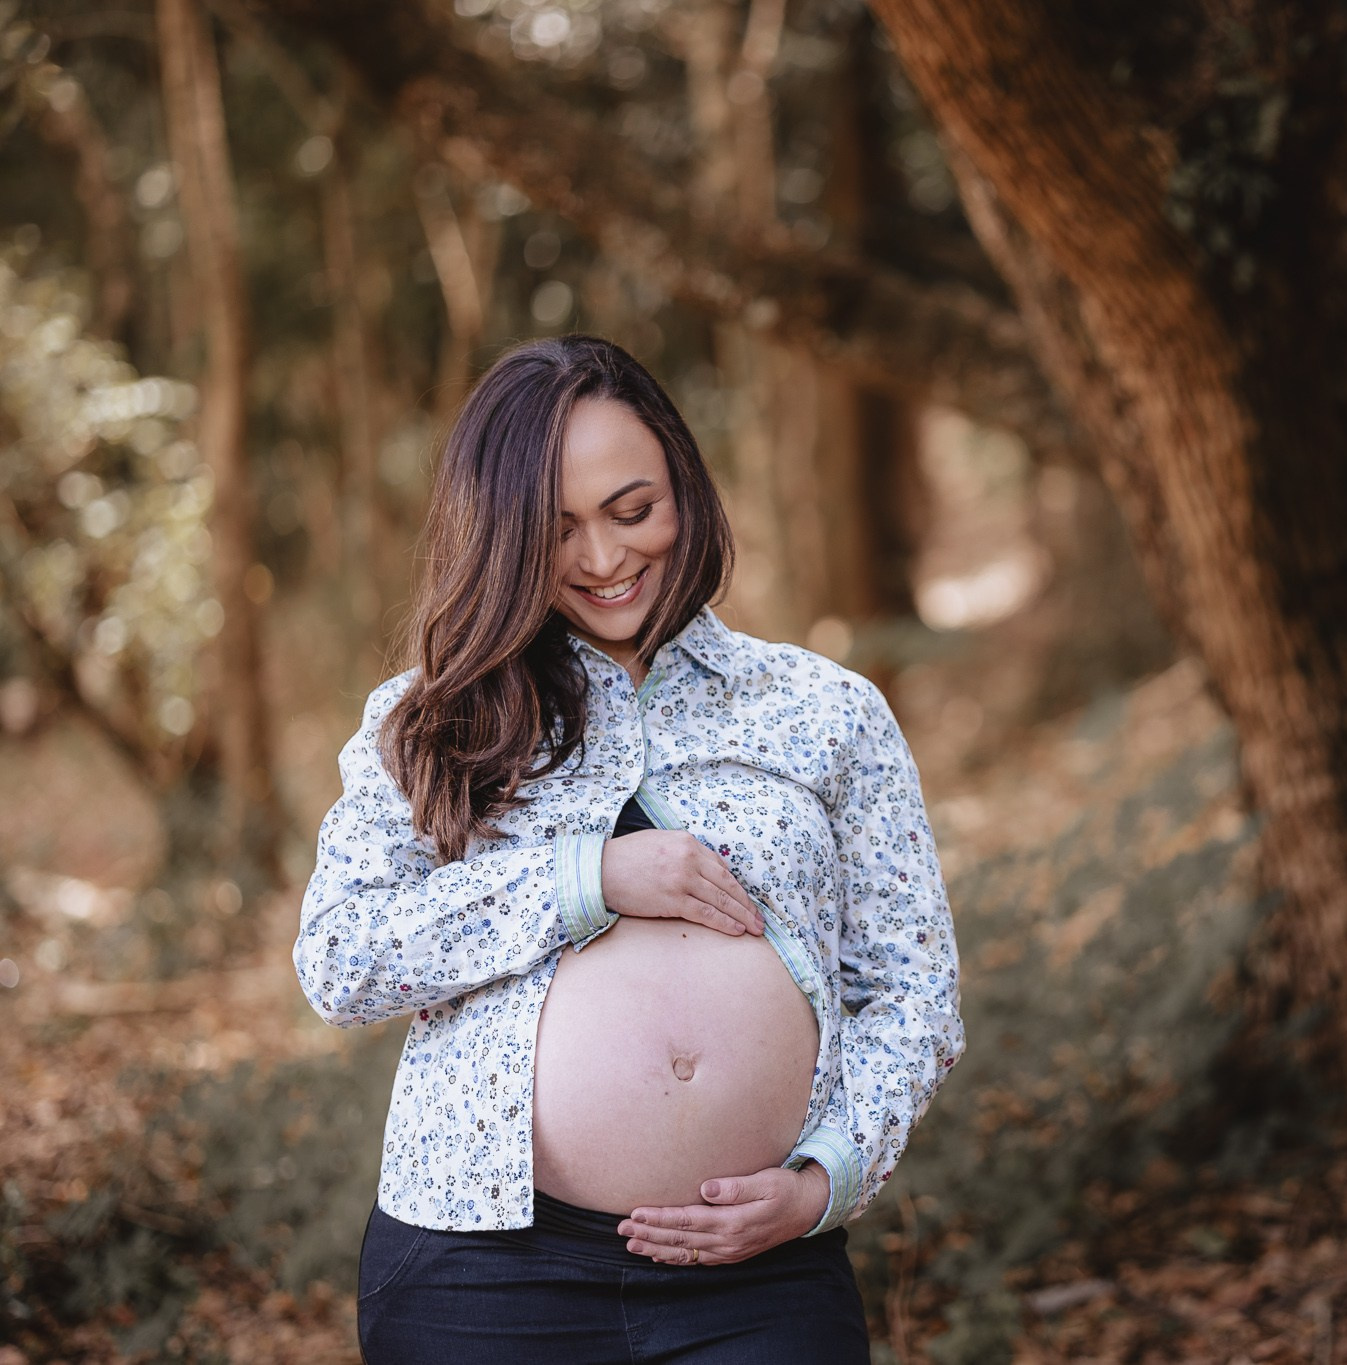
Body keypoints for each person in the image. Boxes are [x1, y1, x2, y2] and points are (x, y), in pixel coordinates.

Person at [292, 333, 964, 1363]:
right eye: (557, 531)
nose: (604, 561)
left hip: (761, 1278)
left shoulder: (824, 711)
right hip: (483, 1275)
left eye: (632, 511)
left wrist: (823, 1181)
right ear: (504, 538)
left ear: (684, 491)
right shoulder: (430, 724)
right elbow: (342, 959)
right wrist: (583, 880)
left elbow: (914, 990)